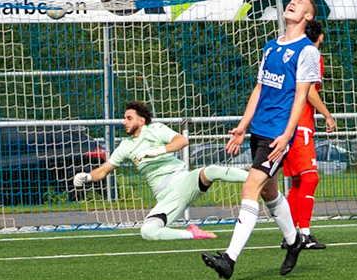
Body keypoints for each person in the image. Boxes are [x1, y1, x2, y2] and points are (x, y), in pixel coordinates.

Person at [203, 0, 321, 279]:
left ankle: (229, 260)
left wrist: (288, 135)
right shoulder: (271, 46)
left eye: (300, 3)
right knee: (269, 191)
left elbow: (301, 96)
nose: (293, 3)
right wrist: (243, 126)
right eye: (292, 0)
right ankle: (294, 241)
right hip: (259, 129)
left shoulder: (307, 50)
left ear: (308, 16)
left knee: (250, 187)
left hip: (278, 133)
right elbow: (259, 88)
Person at [74, 101, 249, 241]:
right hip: (167, 196)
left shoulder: (156, 129)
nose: (124, 122)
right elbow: (103, 170)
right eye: (124, 118)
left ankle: (255, 178)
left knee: (211, 170)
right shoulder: (125, 146)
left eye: (128, 118)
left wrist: (157, 151)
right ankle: (193, 234)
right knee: (147, 231)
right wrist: (87, 176)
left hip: (183, 180)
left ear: (141, 120)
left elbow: (182, 141)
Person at [281, 18, 337, 250]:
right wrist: (327, 115)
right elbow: (310, 91)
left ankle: (290, 235)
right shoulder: (312, 55)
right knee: (310, 177)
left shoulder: (290, 54)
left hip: (285, 124)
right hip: (300, 124)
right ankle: (304, 234)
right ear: (320, 37)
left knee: (297, 181)